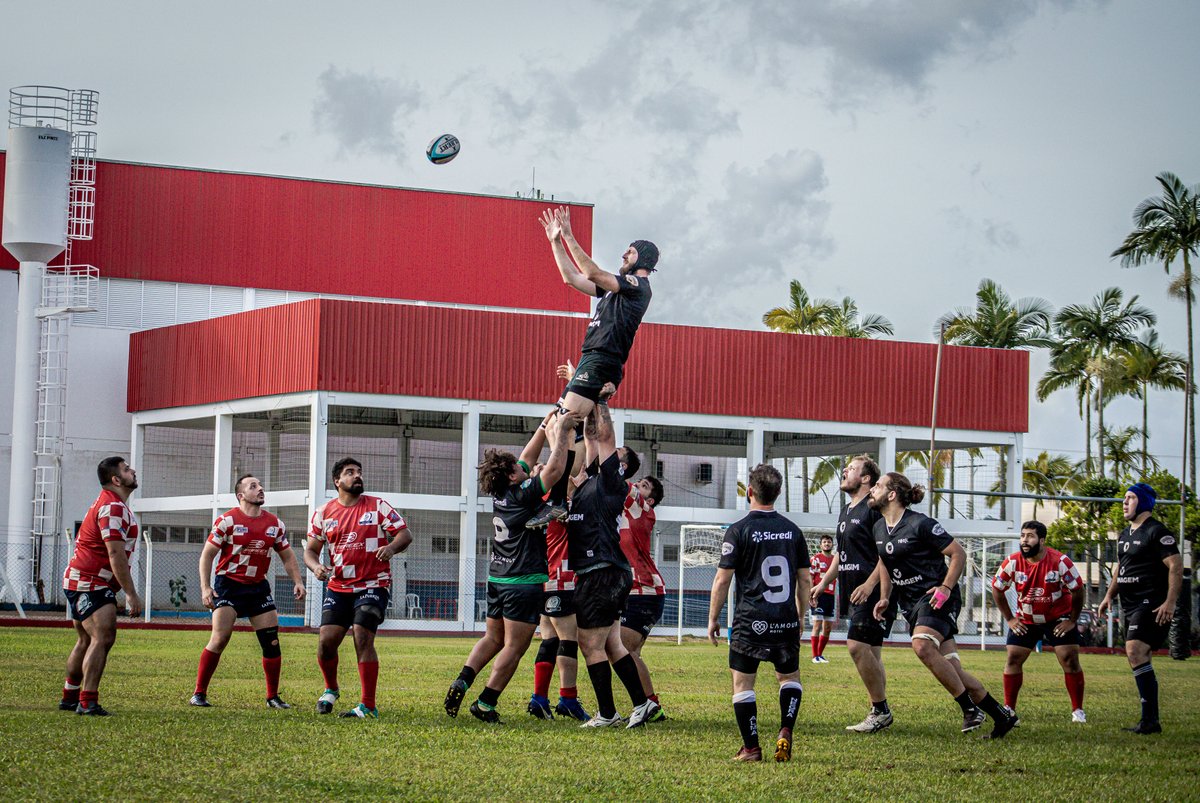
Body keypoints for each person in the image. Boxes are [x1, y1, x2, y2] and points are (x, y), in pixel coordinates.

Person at [444, 410, 577, 723]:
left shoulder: (504, 492)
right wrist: (562, 434)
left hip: (497, 577)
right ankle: (486, 702)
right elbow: (556, 468)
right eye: (518, 468)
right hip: (523, 579)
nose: (523, 465)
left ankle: (463, 679)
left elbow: (527, 457)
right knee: (515, 646)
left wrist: (544, 426)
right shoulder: (524, 493)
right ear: (513, 476)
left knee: (492, 638)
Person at [869, 472, 1018, 739]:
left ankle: (969, 710)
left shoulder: (921, 524)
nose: (872, 490)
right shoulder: (879, 527)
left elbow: (957, 553)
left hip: (937, 596)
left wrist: (946, 588)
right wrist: (884, 596)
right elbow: (885, 563)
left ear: (892, 494)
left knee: (922, 645)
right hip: (911, 604)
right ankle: (1001, 715)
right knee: (954, 670)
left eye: (877, 486)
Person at [567, 400, 660, 728]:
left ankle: (607, 712)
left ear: (620, 466)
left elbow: (604, 436)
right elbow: (593, 438)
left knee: (589, 643)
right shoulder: (594, 478)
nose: (609, 452)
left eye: (616, 453)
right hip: (602, 572)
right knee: (610, 643)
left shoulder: (610, 482)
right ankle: (640, 704)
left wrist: (602, 400)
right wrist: (587, 403)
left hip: (602, 571)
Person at [708, 464, 810, 762]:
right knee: (789, 678)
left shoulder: (739, 530)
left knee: (743, 684)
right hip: (785, 619)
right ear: (777, 493)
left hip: (751, 621)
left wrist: (714, 618)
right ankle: (785, 729)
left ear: (749, 492)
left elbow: (722, 579)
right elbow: (805, 580)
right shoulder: (793, 531)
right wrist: (800, 616)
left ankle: (751, 747)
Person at [305, 458, 413, 719]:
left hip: (374, 584)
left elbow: (405, 534)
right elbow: (310, 551)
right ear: (337, 481)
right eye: (350, 473)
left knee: (362, 634)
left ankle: (368, 705)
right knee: (326, 643)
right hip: (339, 586)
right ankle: (330, 689)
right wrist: (316, 567)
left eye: (359, 472)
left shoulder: (377, 506)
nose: (357, 476)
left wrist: (390, 547)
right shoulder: (323, 513)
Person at [190, 474, 307, 709]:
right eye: (254, 486)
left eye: (261, 485)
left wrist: (298, 581)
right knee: (220, 638)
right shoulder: (227, 521)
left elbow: (287, 556)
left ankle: (272, 697)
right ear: (241, 495)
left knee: (271, 642)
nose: (261, 489)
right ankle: (199, 693)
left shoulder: (275, 524)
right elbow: (207, 555)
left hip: (257, 588)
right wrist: (205, 587)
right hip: (228, 586)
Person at [540, 206, 656, 424]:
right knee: (562, 428)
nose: (624, 255)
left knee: (562, 425)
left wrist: (568, 235)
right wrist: (555, 242)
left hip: (602, 358)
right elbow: (572, 278)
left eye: (630, 251)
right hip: (590, 356)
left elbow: (592, 273)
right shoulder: (615, 289)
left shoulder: (639, 286)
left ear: (644, 259)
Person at [810, 455, 896, 733]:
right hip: (852, 591)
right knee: (872, 652)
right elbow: (840, 554)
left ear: (866, 478)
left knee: (856, 646)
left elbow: (886, 553)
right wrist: (823, 583)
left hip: (872, 591)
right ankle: (880, 711)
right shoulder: (846, 510)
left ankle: (880, 710)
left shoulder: (873, 509)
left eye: (852, 468)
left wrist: (871, 585)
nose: (845, 471)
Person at [59, 456, 143, 716]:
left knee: (86, 638)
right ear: (116, 480)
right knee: (102, 637)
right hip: (90, 582)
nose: (133, 471)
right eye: (127, 470)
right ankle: (87, 701)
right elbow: (115, 554)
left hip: (80, 580)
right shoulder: (113, 507)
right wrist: (131, 594)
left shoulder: (110, 503)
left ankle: (70, 697)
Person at [1098, 482, 1183, 735]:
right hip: (1129, 603)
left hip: (1151, 601)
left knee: (1134, 649)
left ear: (1144, 502)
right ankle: (1150, 720)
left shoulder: (1157, 532)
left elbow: (1176, 566)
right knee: (1138, 655)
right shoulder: (1125, 534)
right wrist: (1108, 596)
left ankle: (1150, 719)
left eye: (1131, 497)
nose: (1124, 502)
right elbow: (1120, 569)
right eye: (1124, 498)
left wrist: (1170, 602)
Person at [991, 520, 1086, 723]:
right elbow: (997, 588)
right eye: (1023, 536)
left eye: (1030, 536)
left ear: (1042, 540)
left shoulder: (1060, 561)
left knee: (1069, 659)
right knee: (1013, 659)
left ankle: (1078, 711)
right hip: (1026, 618)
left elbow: (1078, 589)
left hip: (1057, 617)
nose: (1025, 540)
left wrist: (1072, 620)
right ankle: (1009, 710)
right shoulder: (1013, 562)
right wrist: (1009, 618)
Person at [618, 475, 667, 720]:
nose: (637, 485)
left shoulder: (643, 510)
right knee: (630, 651)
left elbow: (619, 483)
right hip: (634, 590)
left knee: (623, 649)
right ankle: (650, 706)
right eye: (638, 482)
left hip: (645, 590)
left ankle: (649, 705)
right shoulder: (627, 511)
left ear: (651, 499)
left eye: (644, 486)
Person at [809, 534, 836, 663]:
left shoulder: (835, 560)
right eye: (824, 542)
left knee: (827, 628)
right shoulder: (815, 559)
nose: (827, 544)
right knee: (817, 624)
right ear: (820, 545)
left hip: (830, 596)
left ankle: (820, 654)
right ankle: (815, 656)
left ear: (832, 545)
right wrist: (811, 594)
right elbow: (810, 577)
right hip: (818, 595)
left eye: (829, 542)